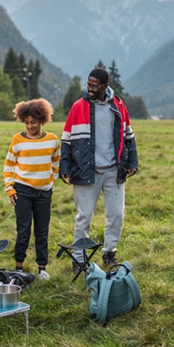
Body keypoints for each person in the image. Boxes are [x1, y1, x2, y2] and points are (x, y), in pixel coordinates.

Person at [59, 67, 138, 266]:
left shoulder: (119, 106)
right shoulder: (78, 107)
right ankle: (78, 258)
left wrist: (132, 162)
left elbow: (129, 136)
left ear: (105, 86)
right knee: (84, 216)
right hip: (86, 171)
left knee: (116, 215)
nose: (90, 88)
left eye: (94, 85)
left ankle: (109, 252)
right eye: (88, 84)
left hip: (114, 171)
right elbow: (66, 140)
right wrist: (64, 167)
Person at [3, 98, 61, 280]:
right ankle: (18, 267)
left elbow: (56, 164)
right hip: (23, 191)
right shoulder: (17, 140)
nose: (29, 126)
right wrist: (10, 189)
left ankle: (42, 268)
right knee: (23, 229)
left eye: (33, 122)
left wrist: (51, 183)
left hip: (44, 192)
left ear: (42, 120)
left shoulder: (52, 140)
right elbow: (8, 166)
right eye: (26, 123)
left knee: (42, 230)